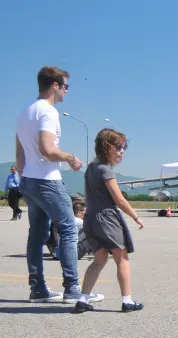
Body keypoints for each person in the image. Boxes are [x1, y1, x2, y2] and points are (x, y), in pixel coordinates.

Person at [15, 66, 102, 303]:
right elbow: (47, 148)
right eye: (65, 86)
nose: (66, 91)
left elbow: (20, 155)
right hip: (47, 180)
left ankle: (38, 289)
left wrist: (25, 178)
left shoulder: (25, 112)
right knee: (68, 230)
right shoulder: (48, 112)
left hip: (29, 181)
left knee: (37, 235)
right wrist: (70, 157)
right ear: (54, 85)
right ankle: (72, 289)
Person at [72, 128, 144, 314]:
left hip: (91, 219)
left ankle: (82, 299)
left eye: (124, 148)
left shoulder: (91, 168)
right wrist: (135, 217)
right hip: (107, 219)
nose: (122, 151)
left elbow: (87, 196)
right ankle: (127, 301)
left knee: (99, 260)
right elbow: (119, 199)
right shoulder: (106, 171)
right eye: (119, 147)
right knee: (122, 258)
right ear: (107, 147)